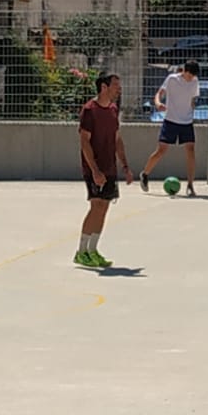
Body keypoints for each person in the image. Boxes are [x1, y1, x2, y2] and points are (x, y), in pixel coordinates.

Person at [77, 73, 132, 269]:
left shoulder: (113, 110)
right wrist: (95, 170)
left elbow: (117, 139)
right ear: (103, 87)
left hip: (110, 167)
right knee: (96, 206)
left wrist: (125, 165)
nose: (119, 89)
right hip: (94, 167)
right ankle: (81, 252)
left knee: (104, 207)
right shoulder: (89, 110)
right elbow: (84, 142)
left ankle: (93, 250)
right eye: (115, 85)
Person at [140, 60, 199, 197]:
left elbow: (193, 99)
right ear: (184, 71)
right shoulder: (172, 79)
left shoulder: (195, 82)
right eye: (190, 75)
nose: (191, 78)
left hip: (186, 121)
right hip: (171, 120)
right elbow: (159, 93)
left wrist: (192, 111)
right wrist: (158, 103)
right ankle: (145, 174)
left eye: (193, 76)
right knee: (161, 150)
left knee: (190, 150)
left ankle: (190, 184)